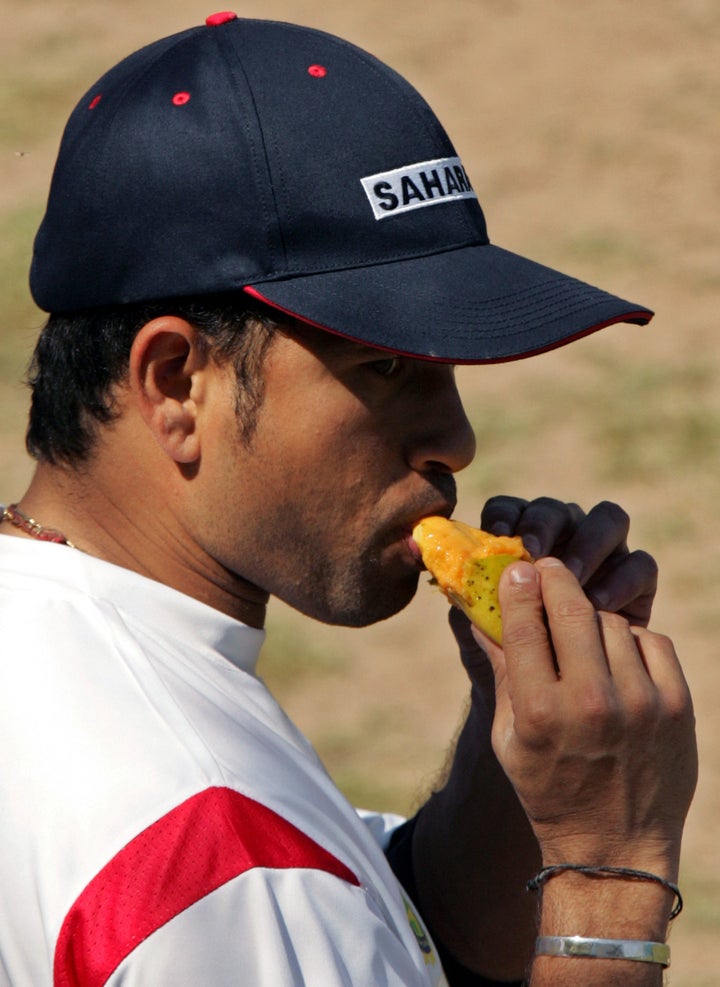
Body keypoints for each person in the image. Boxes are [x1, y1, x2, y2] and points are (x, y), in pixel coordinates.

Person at [0, 12, 697, 987]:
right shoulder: (213, 858)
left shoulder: (49, 646)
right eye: (386, 368)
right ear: (174, 383)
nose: (456, 438)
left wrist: (521, 752)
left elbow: (396, 937)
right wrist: (608, 876)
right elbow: (279, 911)